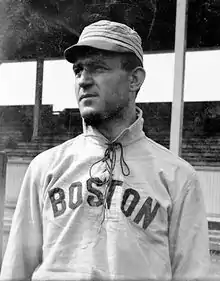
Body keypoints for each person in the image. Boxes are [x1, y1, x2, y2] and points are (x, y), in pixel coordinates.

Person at [1, 20, 210, 281]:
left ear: (134, 79)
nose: (83, 80)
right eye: (78, 70)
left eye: (98, 68)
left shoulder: (177, 177)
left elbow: (194, 274)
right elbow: (15, 269)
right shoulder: (46, 167)